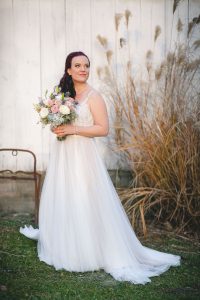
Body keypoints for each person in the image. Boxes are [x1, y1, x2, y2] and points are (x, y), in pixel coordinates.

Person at [20, 51, 180, 284]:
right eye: (78, 65)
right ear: (69, 70)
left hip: (83, 155)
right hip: (64, 153)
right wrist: (56, 127)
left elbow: (102, 128)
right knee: (65, 195)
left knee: (85, 197)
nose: (83, 69)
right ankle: (66, 243)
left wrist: (73, 130)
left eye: (86, 65)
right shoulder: (63, 95)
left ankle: (90, 248)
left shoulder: (94, 96)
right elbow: (61, 123)